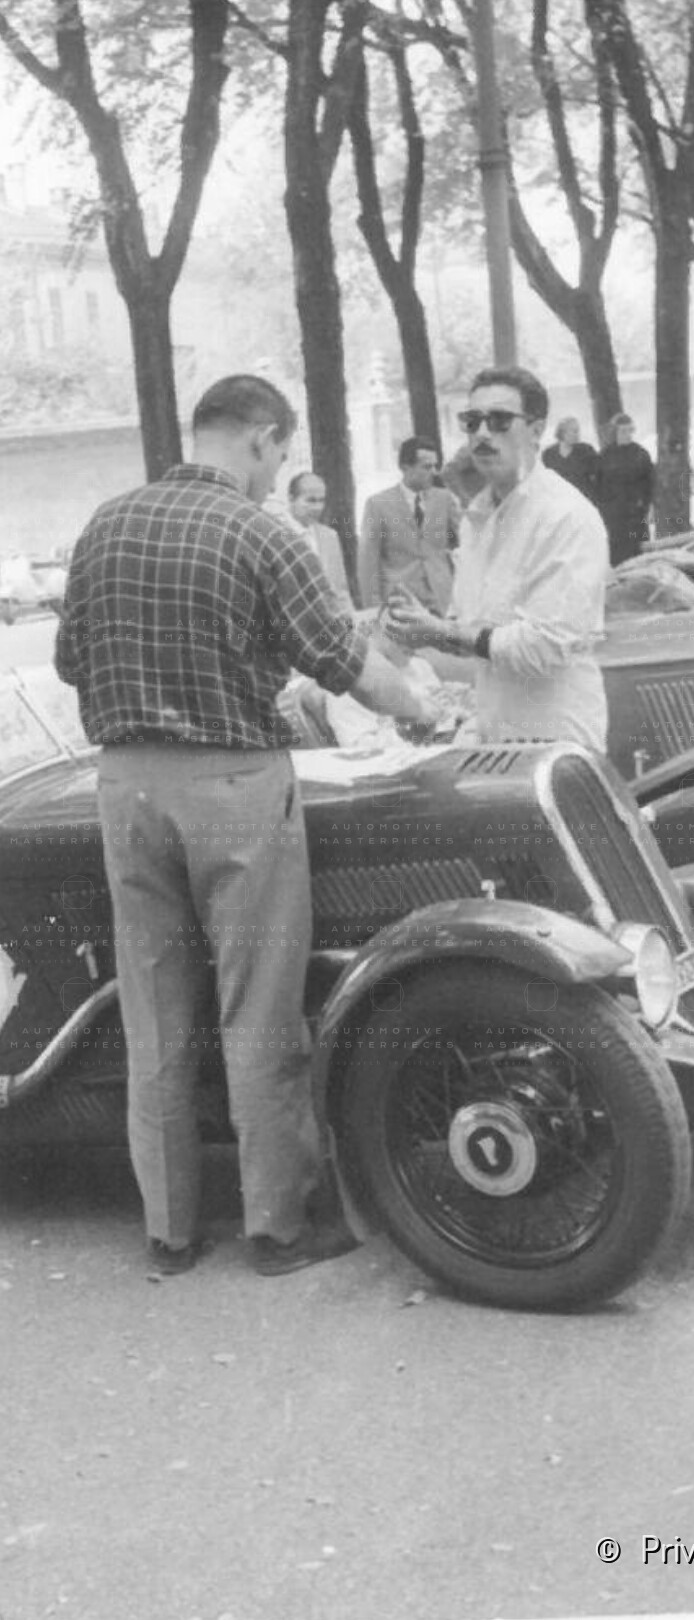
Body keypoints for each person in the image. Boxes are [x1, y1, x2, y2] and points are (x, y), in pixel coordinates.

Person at [54, 374, 438, 1279]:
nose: (277, 474)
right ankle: (276, 1224)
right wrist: (422, 707)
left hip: (125, 787)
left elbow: (71, 661)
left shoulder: (104, 525)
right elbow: (345, 663)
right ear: (262, 438)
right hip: (233, 786)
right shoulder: (263, 534)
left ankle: (170, 1230)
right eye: (280, 455)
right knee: (259, 1008)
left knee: (154, 1013)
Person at [383, 364, 609, 753]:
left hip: (555, 744)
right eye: (472, 422)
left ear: (536, 430)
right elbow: (474, 633)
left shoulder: (566, 516)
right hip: (495, 739)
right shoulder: (476, 519)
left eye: (500, 420)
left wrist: (443, 632)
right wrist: (427, 630)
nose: (483, 434)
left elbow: (544, 647)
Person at [357, 436, 460, 614]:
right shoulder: (378, 504)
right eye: (427, 467)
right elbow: (368, 562)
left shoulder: (444, 499)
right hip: (400, 603)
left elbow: (466, 540)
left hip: (442, 601)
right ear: (405, 467)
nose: (434, 472)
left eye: (435, 466)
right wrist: (374, 611)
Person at [596, 412, 656, 566]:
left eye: (630, 430)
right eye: (623, 431)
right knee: (617, 556)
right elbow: (599, 486)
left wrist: (650, 507)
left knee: (639, 555)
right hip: (614, 517)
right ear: (615, 432)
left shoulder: (641, 454)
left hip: (636, 514)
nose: (627, 434)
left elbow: (650, 483)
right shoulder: (605, 455)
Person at [286, 470, 352, 606]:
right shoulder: (276, 535)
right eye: (311, 500)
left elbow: (341, 590)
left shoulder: (330, 536)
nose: (317, 507)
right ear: (291, 498)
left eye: (321, 500)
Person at [541, 415, 600, 502]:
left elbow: (598, 477)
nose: (578, 434)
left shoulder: (586, 450)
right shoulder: (549, 454)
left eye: (578, 431)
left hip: (584, 501)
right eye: (575, 431)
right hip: (558, 501)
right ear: (563, 433)